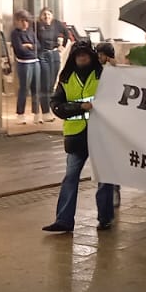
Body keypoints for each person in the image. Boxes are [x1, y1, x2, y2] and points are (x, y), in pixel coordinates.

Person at [43, 40, 116, 234]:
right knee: (70, 177)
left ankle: (105, 217)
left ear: (91, 56)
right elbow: (56, 105)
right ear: (73, 58)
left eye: (85, 55)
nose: (82, 58)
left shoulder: (103, 75)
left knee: (104, 178)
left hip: (100, 133)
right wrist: (78, 107)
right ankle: (64, 220)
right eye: (78, 55)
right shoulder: (66, 79)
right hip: (76, 136)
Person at [9, 10, 44, 122]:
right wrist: (28, 47)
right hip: (24, 63)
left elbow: (38, 46)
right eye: (22, 20)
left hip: (35, 62)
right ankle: (20, 114)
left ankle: (36, 114)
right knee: (24, 89)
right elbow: (19, 50)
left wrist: (29, 46)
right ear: (17, 21)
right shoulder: (15, 33)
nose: (24, 23)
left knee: (36, 89)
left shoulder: (31, 32)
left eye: (26, 21)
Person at [35, 7, 66, 102]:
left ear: (52, 16)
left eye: (48, 14)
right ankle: (45, 106)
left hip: (55, 54)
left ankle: (51, 103)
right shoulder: (37, 26)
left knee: (53, 81)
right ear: (40, 16)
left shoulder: (56, 23)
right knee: (46, 81)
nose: (46, 16)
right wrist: (38, 48)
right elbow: (33, 38)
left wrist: (63, 46)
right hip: (43, 54)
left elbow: (67, 34)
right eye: (44, 14)